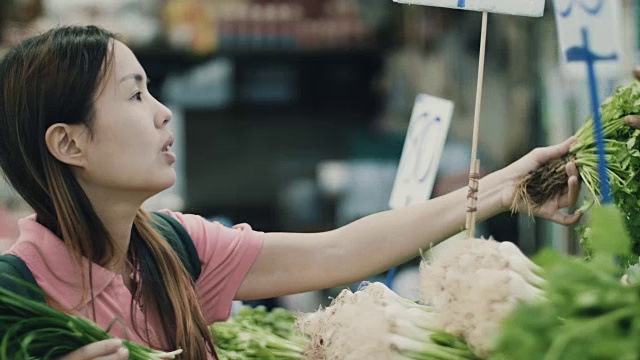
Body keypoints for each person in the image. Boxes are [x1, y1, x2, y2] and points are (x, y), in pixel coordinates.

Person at [0, 26, 583, 360]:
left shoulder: (172, 249)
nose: (161, 114)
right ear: (68, 143)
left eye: (152, 91)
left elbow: (338, 252)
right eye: (134, 96)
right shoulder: (13, 297)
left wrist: (508, 186)